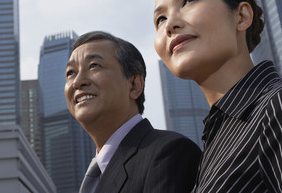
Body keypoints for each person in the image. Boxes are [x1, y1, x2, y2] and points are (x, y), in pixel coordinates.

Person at [153, 0, 282, 193]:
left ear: (241, 16)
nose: (169, 24)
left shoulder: (276, 107)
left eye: (189, 0)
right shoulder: (214, 139)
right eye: (160, 19)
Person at [64, 31, 201, 193]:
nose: (78, 82)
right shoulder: (97, 174)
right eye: (71, 73)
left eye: (94, 65)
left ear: (135, 84)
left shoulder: (169, 154)